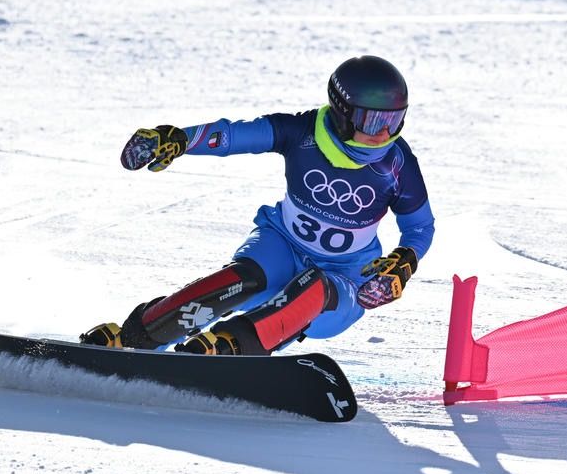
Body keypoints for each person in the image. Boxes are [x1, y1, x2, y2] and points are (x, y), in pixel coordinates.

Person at [81, 56, 435, 356]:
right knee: (241, 279)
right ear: (343, 113)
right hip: (281, 246)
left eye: (393, 121)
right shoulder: (302, 131)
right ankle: (135, 337)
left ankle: (232, 347)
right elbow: (234, 136)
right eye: (373, 121)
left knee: (315, 286)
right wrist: (180, 139)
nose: (383, 133)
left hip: (345, 278)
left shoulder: (397, 163)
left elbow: (419, 227)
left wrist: (405, 260)